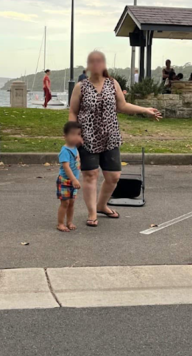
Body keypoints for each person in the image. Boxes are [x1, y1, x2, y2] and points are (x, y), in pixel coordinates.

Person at [69, 50, 161, 227]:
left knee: (113, 177)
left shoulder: (113, 84)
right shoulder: (81, 87)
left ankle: (102, 205)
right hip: (87, 137)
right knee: (90, 175)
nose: (96, 64)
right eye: (92, 61)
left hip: (110, 137)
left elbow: (123, 105)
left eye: (99, 61)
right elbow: (73, 112)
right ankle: (92, 213)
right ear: (88, 66)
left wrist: (145, 110)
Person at [56, 121, 82, 232]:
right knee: (65, 202)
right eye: (73, 134)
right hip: (65, 180)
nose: (76, 137)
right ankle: (60, 223)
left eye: (79, 134)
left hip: (73, 181)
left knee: (71, 203)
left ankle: (69, 221)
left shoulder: (75, 148)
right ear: (65, 136)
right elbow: (66, 167)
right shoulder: (65, 151)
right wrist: (74, 179)